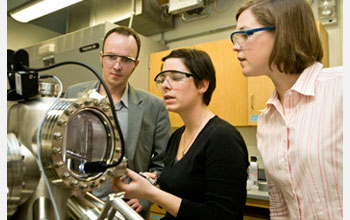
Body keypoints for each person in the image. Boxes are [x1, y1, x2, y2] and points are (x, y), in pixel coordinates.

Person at [231, 0, 343, 219]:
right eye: (236, 37)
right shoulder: (267, 120)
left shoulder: (340, 89)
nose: (236, 45)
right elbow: (280, 206)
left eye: (246, 34)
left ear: (283, 31)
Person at [113, 48, 249, 220]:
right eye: (162, 79)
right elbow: (181, 193)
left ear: (202, 85)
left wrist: (152, 194)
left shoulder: (223, 138)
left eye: (176, 78)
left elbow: (222, 216)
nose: (165, 85)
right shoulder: (177, 136)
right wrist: (153, 183)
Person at [64, 26, 171, 218]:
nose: (117, 65)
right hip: (77, 207)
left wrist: (145, 197)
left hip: (126, 210)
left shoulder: (153, 107)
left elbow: (163, 165)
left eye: (126, 59)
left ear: (136, 64)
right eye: (111, 56)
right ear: (101, 57)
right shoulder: (73, 96)